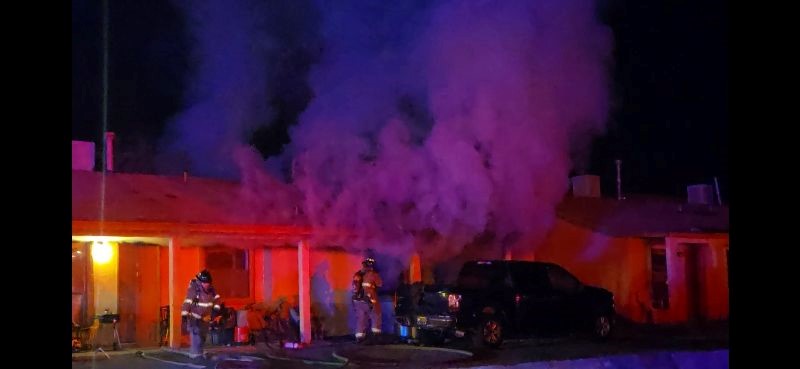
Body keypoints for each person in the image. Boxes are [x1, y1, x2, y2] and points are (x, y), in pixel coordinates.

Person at [181, 269, 222, 358]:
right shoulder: (193, 290)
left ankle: (198, 354)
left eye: (208, 283)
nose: (207, 285)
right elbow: (187, 302)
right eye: (205, 283)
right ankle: (196, 357)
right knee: (197, 339)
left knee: (202, 338)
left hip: (205, 319)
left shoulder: (212, 290)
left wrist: (215, 312)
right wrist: (184, 316)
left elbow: (217, 300)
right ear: (201, 282)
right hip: (194, 319)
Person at [352, 257, 383, 343]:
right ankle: (376, 336)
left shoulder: (357, 274)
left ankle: (359, 337)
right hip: (369, 299)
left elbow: (354, 287)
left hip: (357, 300)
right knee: (376, 315)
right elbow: (380, 284)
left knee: (361, 318)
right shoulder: (373, 274)